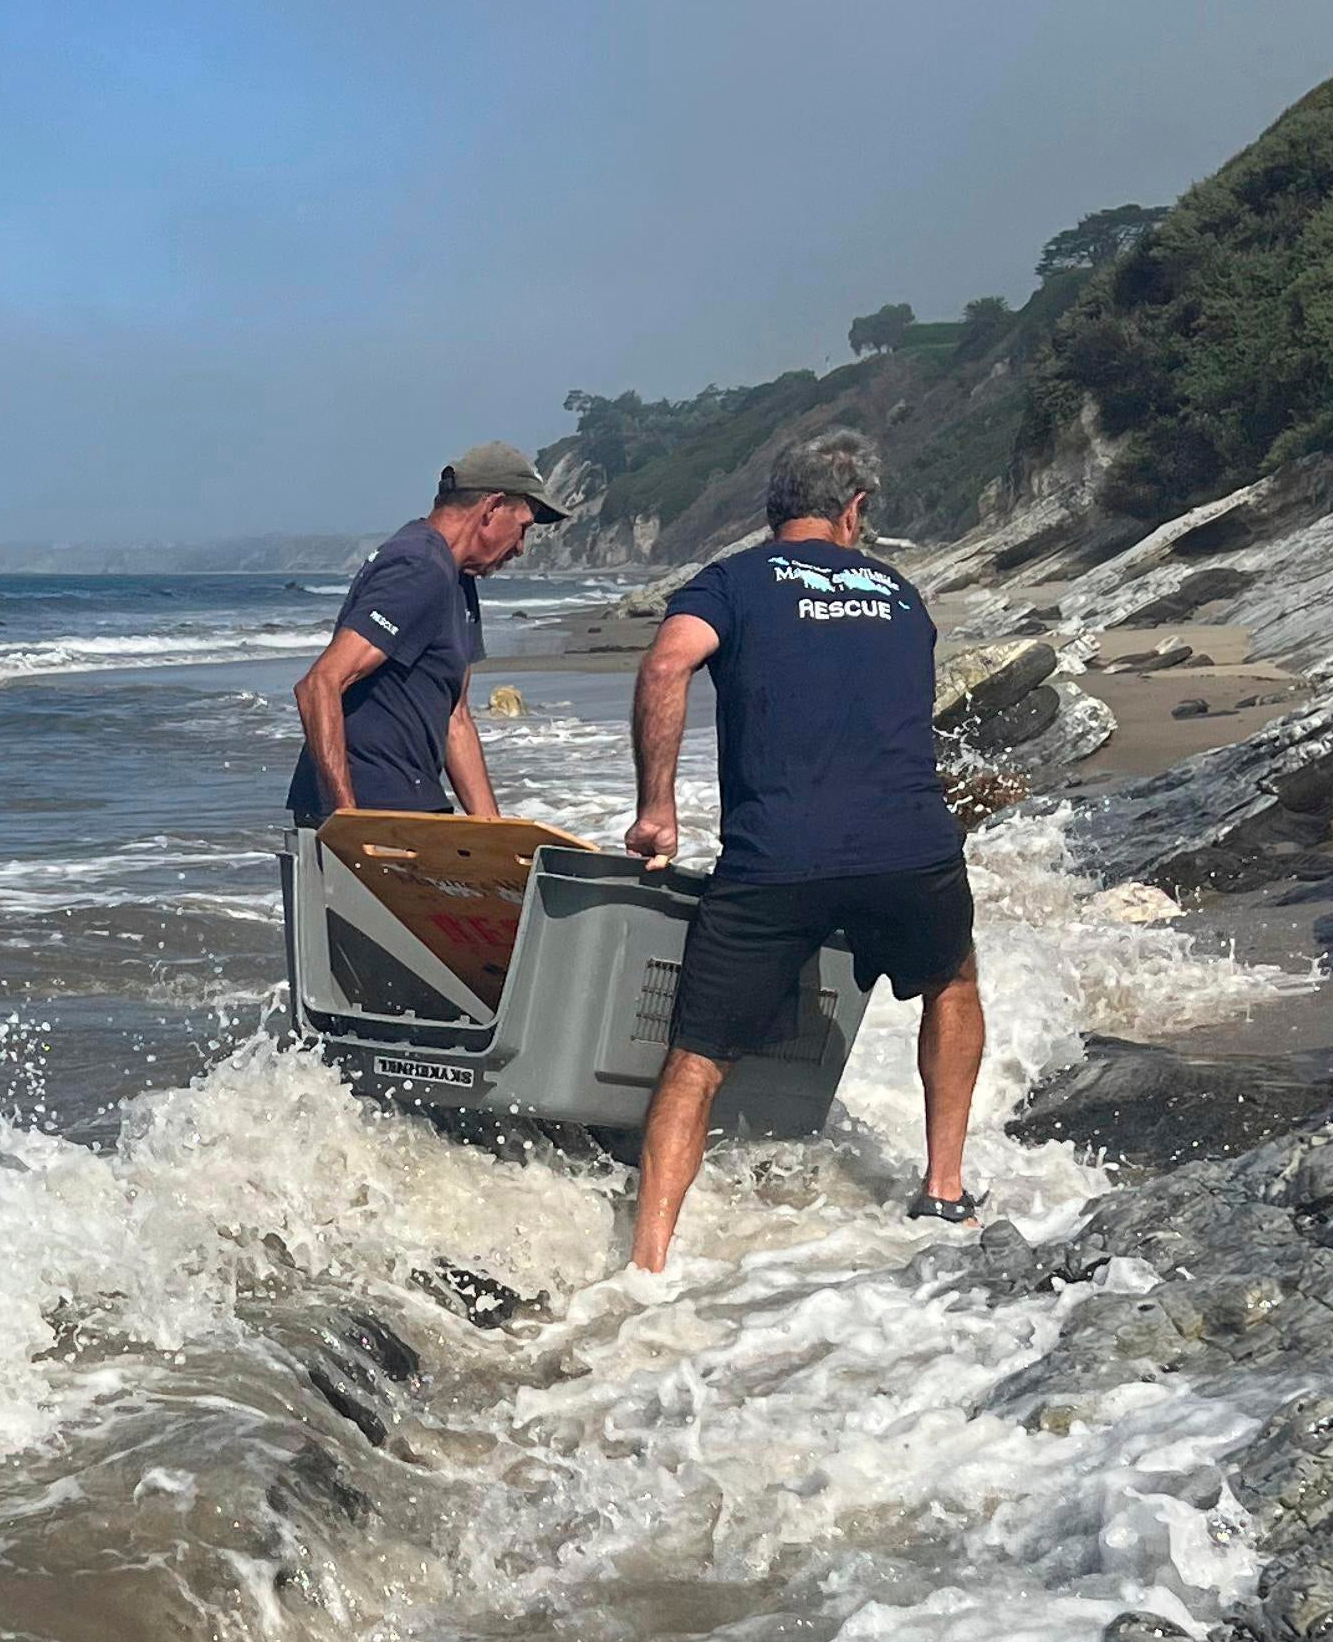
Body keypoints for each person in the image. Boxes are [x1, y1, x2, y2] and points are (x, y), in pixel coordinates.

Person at [621, 428, 981, 1269]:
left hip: (776, 858)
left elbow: (666, 666)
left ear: (773, 510)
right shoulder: (900, 594)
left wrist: (657, 810)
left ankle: (648, 1263)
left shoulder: (733, 581)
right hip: (909, 849)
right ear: (854, 511)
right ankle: (944, 1190)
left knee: (698, 1057)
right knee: (952, 983)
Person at [289, 445, 565, 825]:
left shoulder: (457, 577)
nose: (519, 547)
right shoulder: (418, 565)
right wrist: (350, 820)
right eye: (523, 528)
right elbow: (319, 684)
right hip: (370, 805)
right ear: (492, 507)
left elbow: (457, 718)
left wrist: (496, 834)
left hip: (412, 803)